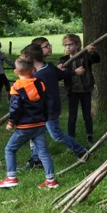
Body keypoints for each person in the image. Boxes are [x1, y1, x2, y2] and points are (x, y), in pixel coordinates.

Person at [0, 56, 58, 189]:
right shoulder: (40, 85)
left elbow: (15, 108)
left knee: (10, 149)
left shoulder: (16, 87)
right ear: (33, 70)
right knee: (43, 153)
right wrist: (45, 117)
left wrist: (11, 122)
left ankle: (11, 177)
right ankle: (51, 180)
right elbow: (48, 102)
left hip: (25, 126)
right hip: (40, 124)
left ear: (16, 72)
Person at [22, 40, 88, 169]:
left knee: (56, 134)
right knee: (37, 133)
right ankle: (36, 160)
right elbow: (62, 74)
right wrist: (74, 72)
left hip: (49, 109)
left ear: (31, 59)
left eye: (24, 58)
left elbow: (34, 95)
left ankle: (81, 151)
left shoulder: (38, 76)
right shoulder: (49, 67)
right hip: (46, 109)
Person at [59, 34, 100, 145]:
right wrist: (61, 69)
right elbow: (62, 75)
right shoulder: (64, 60)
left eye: (70, 44)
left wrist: (92, 52)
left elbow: (96, 59)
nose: (68, 47)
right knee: (72, 116)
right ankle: (71, 137)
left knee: (87, 115)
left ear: (77, 45)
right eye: (66, 45)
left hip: (85, 90)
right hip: (72, 91)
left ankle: (90, 135)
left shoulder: (85, 57)